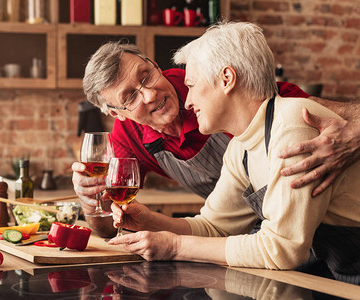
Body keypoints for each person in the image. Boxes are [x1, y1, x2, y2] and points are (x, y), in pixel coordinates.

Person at [107, 22, 360, 283]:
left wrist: (175, 247)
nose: (188, 100)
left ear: (227, 79)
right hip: (339, 264)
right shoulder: (241, 147)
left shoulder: (293, 124)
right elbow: (213, 227)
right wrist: (150, 221)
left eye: (192, 85)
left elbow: (282, 249)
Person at [73, 41, 360, 237]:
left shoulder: (215, 86)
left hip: (326, 226)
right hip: (237, 232)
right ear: (115, 114)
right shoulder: (127, 137)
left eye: (146, 76)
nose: (150, 94)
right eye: (130, 97)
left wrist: (354, 135)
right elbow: (110, 228)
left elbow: (340, 113)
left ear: (154, 64)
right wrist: (90, 202)